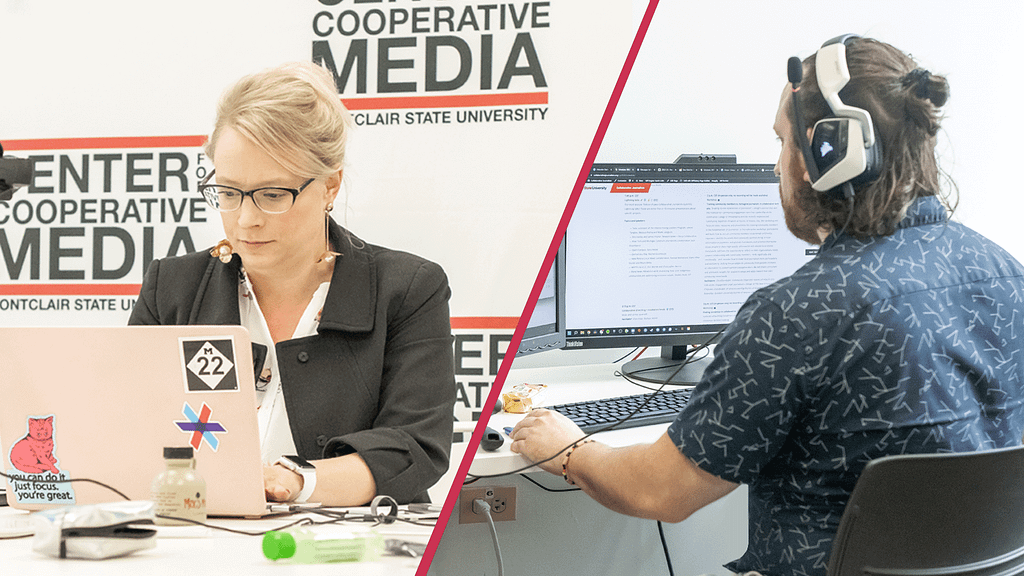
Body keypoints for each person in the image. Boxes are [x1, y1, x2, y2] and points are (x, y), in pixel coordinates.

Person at [510, 36, 1024, 575]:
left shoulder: (798, 312)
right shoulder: (1007, 273)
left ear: (829, 154)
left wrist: (568, 449)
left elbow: (659, 492)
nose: (777, 167)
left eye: (782, 142)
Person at [129, 61, 456, 506]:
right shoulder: (173, 286)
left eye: (273, 194)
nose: (246, 219)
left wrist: (299, 481)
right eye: (227, 192)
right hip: (195, 535)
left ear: (329, 186)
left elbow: (415, 446)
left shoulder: (408, 288)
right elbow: (127, 421)